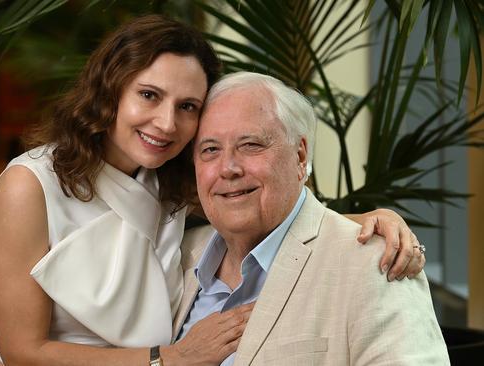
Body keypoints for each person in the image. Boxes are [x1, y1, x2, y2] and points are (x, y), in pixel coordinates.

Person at [0, 15, 426, 366]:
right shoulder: (29, 185)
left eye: (187, 106)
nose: (166, 124)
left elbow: (270, 213)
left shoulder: (173, 177)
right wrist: (168, 360)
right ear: (110, 90)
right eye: (148, 95)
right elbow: (21, 351)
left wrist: (369, 222)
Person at [173, 71, 448, 365]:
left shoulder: (376, 263)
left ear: (300, 156)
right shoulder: (176, 256)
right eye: (210, 149)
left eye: (251, 144)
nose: (228, 168)